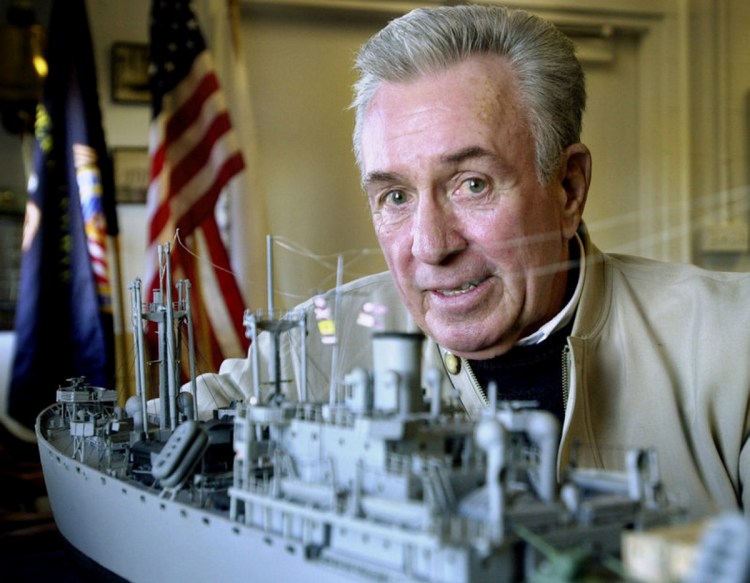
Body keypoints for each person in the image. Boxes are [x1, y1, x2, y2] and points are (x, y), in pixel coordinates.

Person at [184, 4, 750, 521]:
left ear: (569, 188)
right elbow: (150, 440)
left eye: (472, 184)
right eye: (396, 197)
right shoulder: (313, 344)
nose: (431, 246)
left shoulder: (736, 345)